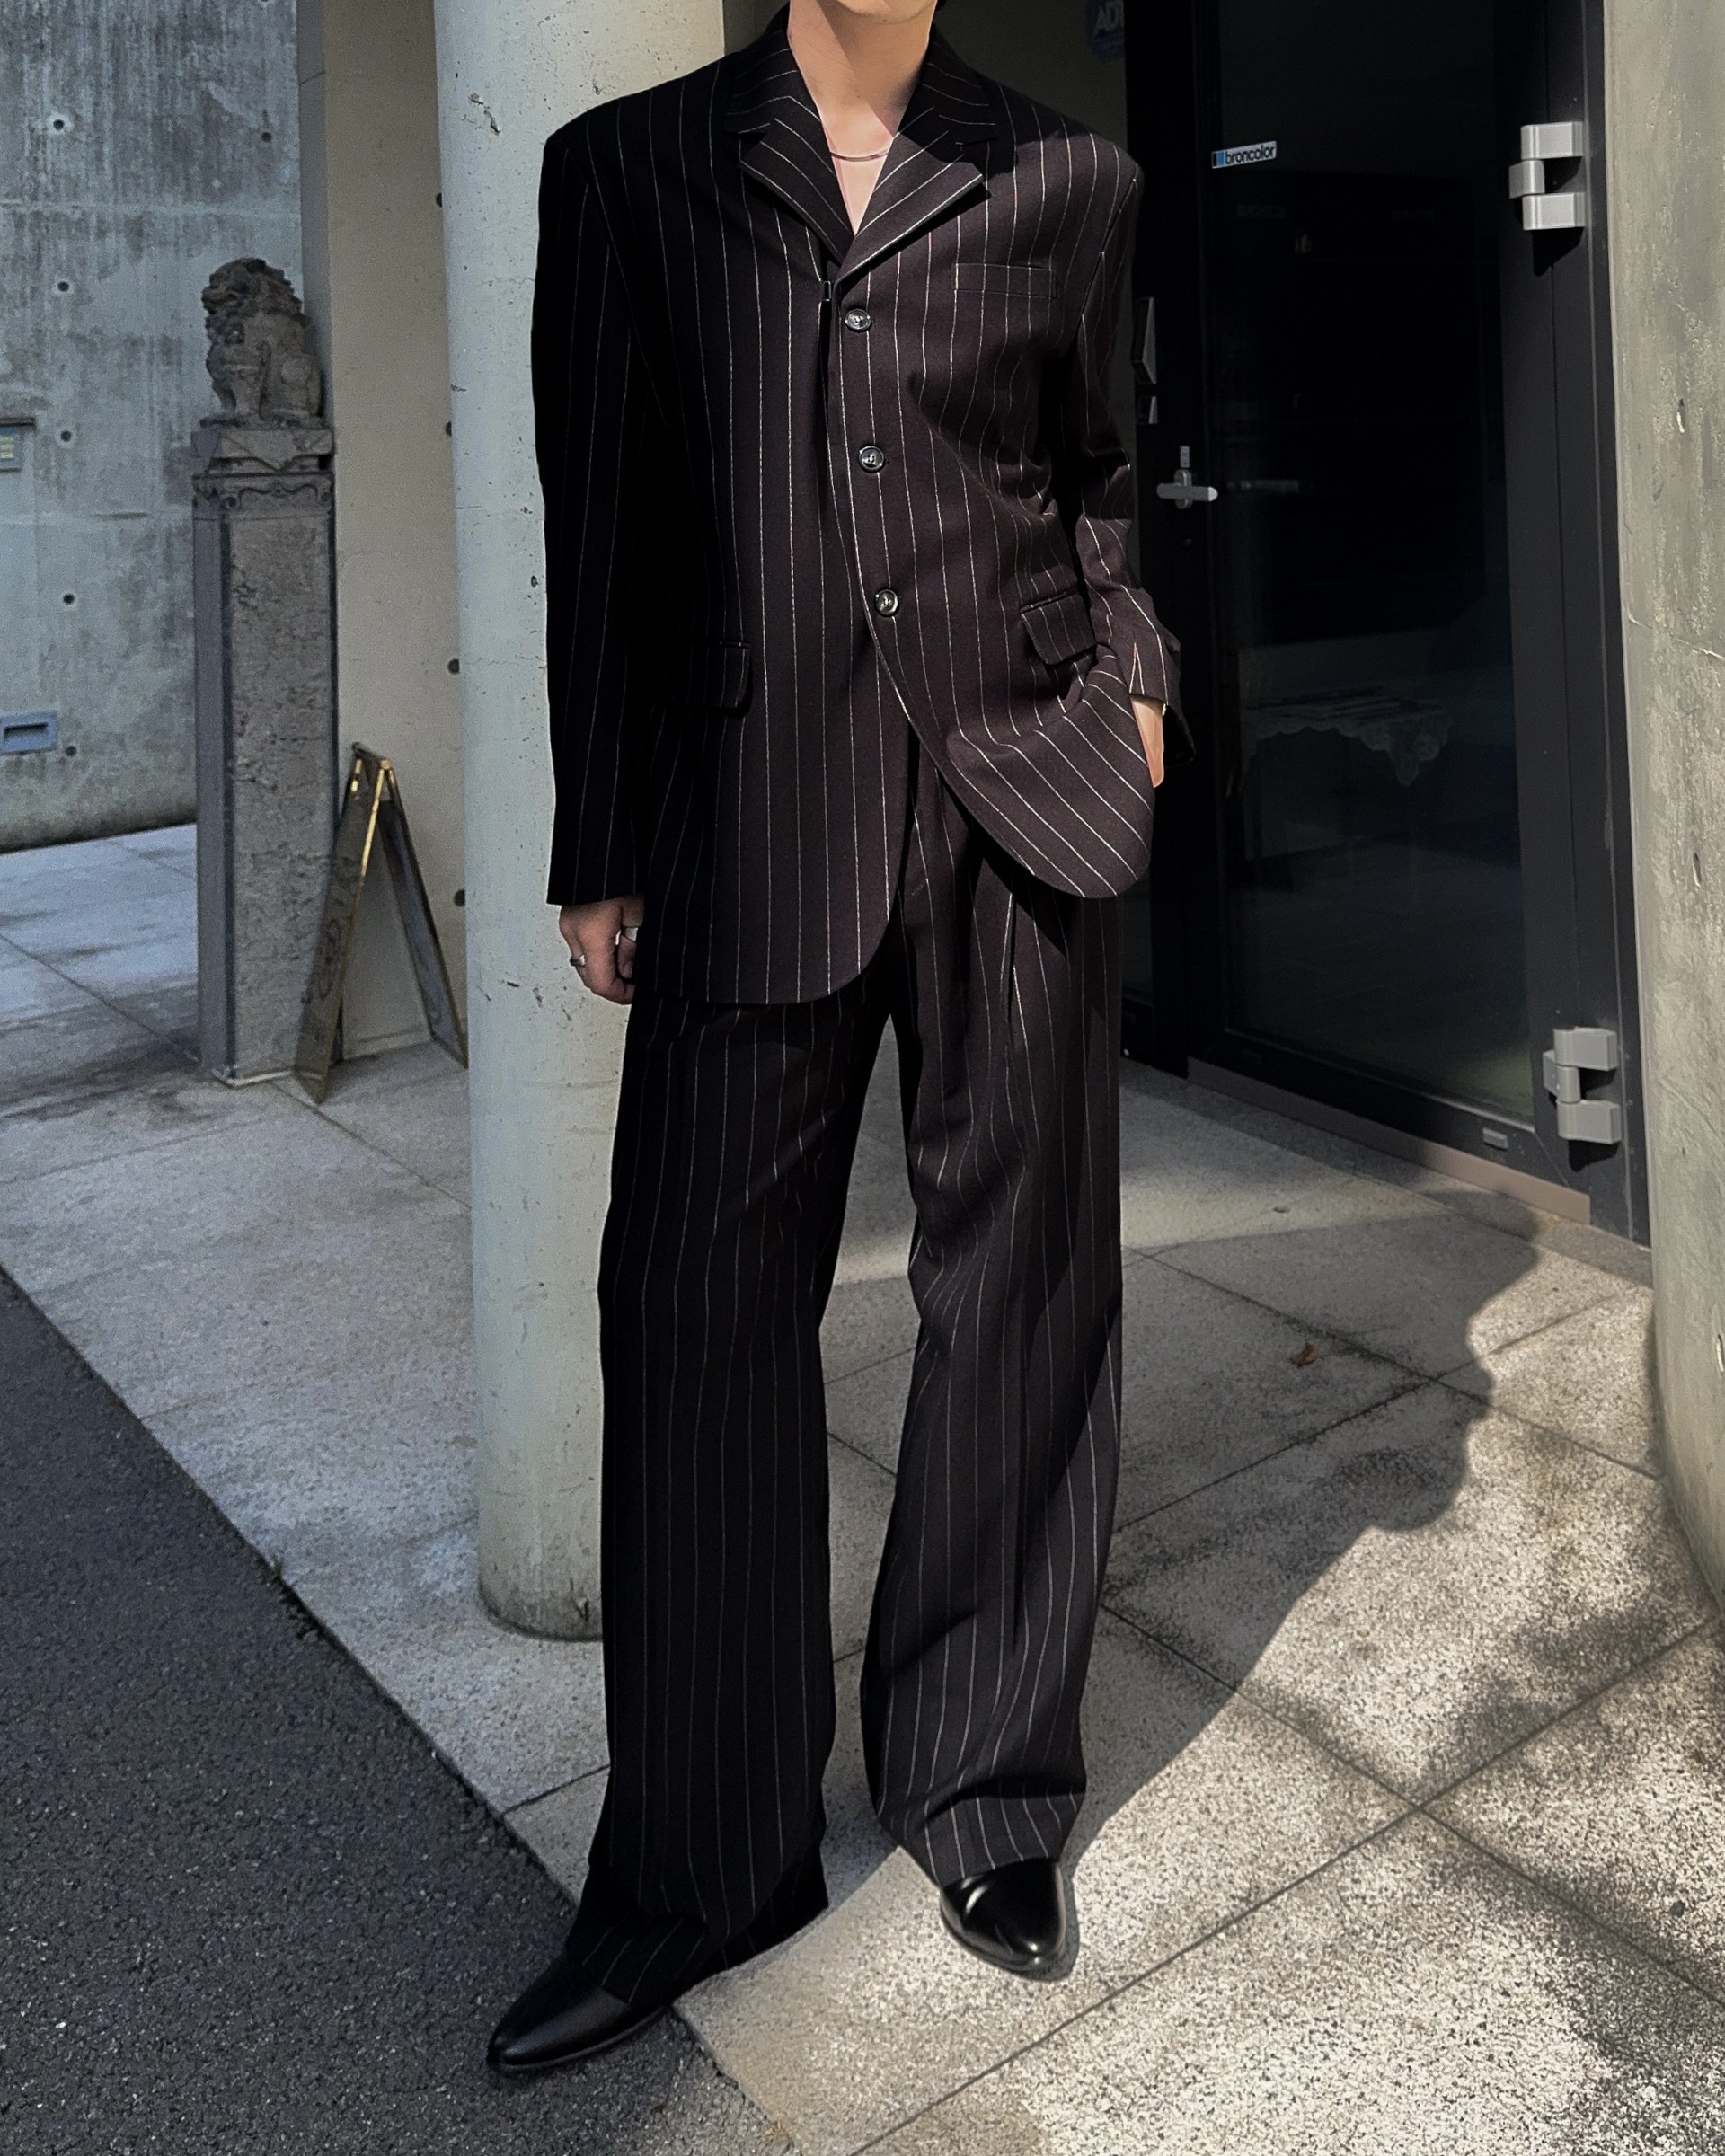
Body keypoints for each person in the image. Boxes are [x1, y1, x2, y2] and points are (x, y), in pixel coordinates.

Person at [489, 0, 1184, 2075]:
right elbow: (603, 531)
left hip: (1018, 803)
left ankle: (983, 1786)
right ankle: (707, 1862)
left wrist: (1139, 678)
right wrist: (602, 841)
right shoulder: (628, 174)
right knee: (691, 1316)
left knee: (1022, 1296)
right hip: (746, 818)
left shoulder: (1070, 178)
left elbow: (1099, 478)